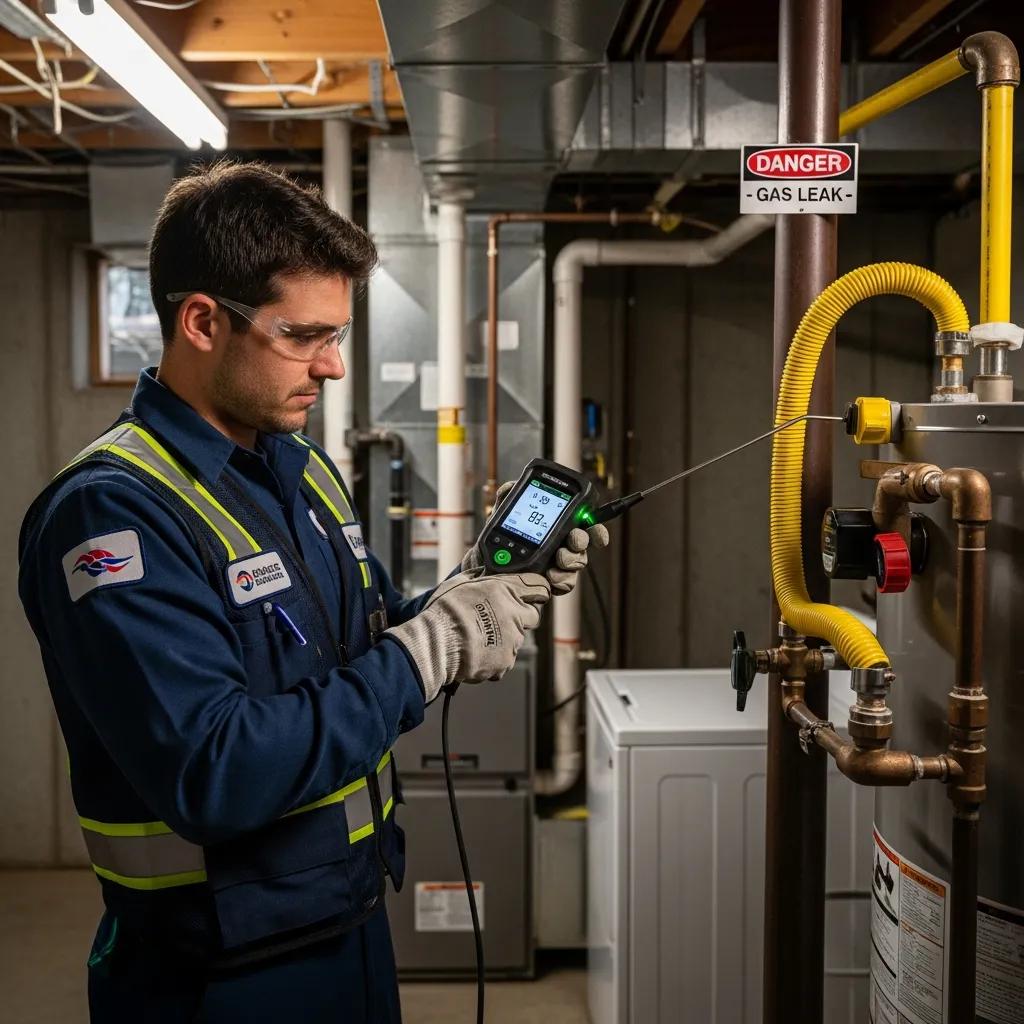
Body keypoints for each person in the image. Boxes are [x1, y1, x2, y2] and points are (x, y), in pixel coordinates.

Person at [17, 161, 608, 1023]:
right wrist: (425, 653)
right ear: (202, 321)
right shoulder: (112, 514)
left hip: (349, 922)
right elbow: (214, 769)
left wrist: (466, 605)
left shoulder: (300, 467)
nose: (332, 366)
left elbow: (354, 646)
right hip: (215, 974)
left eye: (339, 334)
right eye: (304, 336)